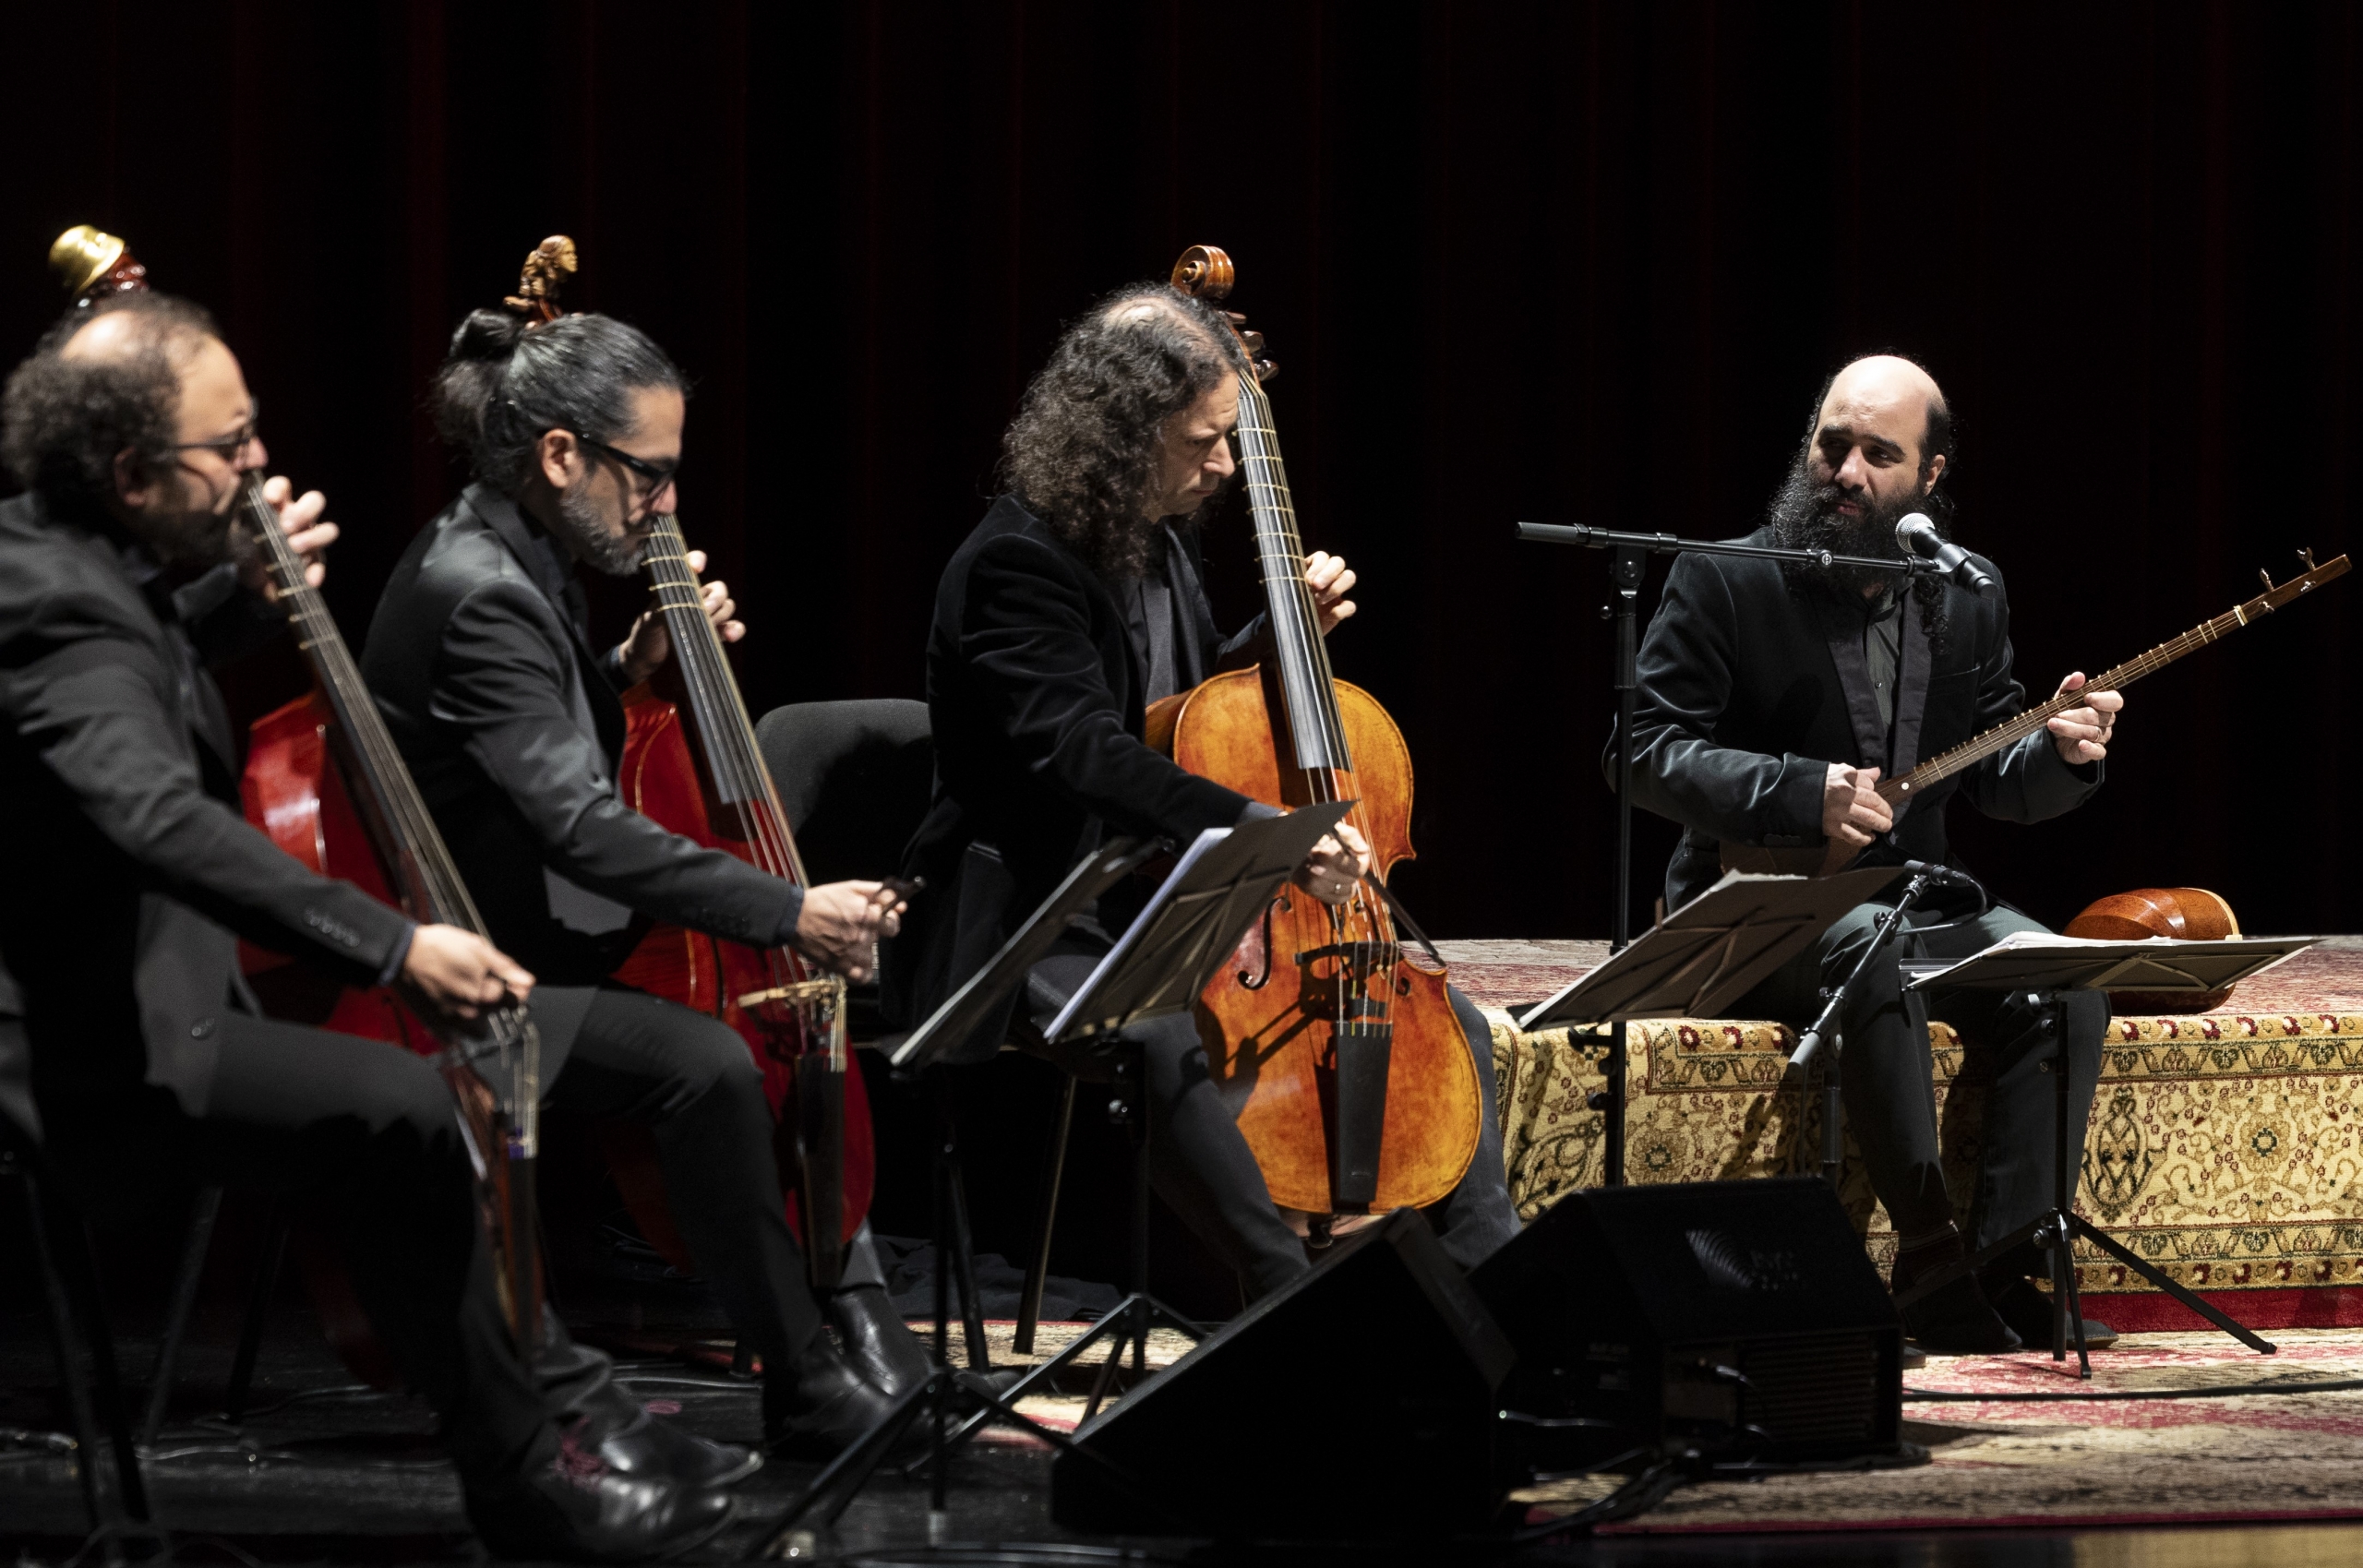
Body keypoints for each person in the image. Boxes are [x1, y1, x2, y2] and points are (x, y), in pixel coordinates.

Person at [0, 289, 748, 1558]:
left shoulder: (65, 561)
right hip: (77, 1048)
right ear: (130, 472)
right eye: (228, 445)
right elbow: (151, 812)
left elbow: (134, 665)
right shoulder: (53, 603)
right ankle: (534, 1462)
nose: (257, 465)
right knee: (402, 1111)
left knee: (407, 1115)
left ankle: (554, 1427)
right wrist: (396, 944)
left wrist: (235, 605)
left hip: (137, 996)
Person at [886, 283, 1521, 1302]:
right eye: (1204, 441)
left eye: (1229, 436)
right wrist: (1274, 835)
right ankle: (1286, 1296)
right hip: (1036, 909)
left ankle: (1498, 1287)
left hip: (1163, 893)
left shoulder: (1156, 536)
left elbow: (1176, 716)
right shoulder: (1016, 564)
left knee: (1457, 1024)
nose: (1227, 465)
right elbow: (1088, 754)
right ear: (1117, 437)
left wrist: (1274, 641)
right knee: (1159, 1030)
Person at [362, 299, 919, 1456]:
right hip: (463, 973)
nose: (665, 503)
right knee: (706, 1061)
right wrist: (788, 909)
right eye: (649, 474)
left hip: (526, 936)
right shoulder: (482, 588)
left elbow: (528, 736)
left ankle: (825, 1344)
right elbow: (581, 826)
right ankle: (810, 1379)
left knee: (720, 1046)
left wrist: (627, 664)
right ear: (561, 453)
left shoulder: (514, 549)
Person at [1618, 353, 2126, 1353]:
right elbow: (1641, 751)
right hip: (1763, 905)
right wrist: (1798, 790)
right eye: (1831, 445)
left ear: (1931, 474)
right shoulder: (1727, 576)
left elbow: (1995, 774)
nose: (1845, 472)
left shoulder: (1969, 591)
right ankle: (1932, 1264)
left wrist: (2064, 754)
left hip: (1916, 896)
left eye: (1878, 455)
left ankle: (2007, 1264)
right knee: (1867, 947)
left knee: (2067, 985)